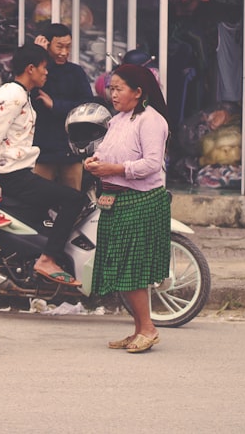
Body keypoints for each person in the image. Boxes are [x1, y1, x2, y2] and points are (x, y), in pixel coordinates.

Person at [0, 43, 89, 287]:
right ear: (31, 69)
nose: (47, 73)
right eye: (44, 68)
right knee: (73, 199)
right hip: (10, 175)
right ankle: (47, 259)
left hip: (16, 172)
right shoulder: (13, 95)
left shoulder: (19, 94)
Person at [84, 64, 170, 354]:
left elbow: (151, 164)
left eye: (119, 88)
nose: (114, 93)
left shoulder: (151, 121)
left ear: (138, 92)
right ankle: (138, 330)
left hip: (140, 201)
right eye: (112, 88)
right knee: (122, 267)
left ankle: (148, 328)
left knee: (133, 269)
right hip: (115, 200)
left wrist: (115, 169)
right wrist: (94, 162)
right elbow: (107, 151)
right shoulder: (118, 120)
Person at [31, 23, 94, 190]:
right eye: (59, 46)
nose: (64, 52)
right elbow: (27, 93)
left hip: (71, 148)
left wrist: (55, 105)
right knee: (40, 198)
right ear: (47, 44)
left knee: (73, 197)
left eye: (68, 47)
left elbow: (87, 105)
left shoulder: (76, 72)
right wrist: (37, 55)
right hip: (43, 148)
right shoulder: (37, 70)